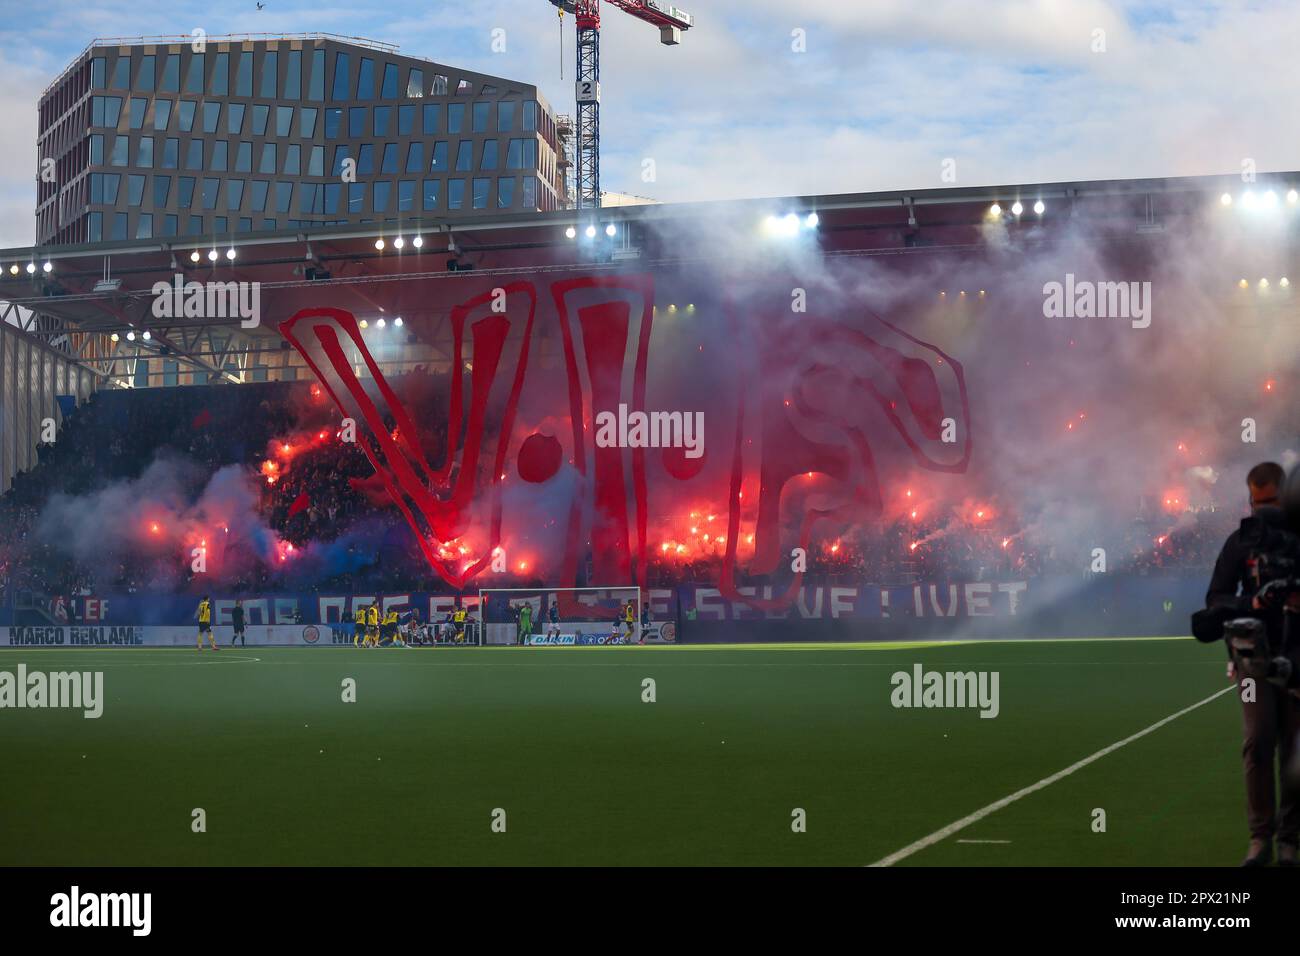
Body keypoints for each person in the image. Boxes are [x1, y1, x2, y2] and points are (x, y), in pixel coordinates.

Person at [1204, 461, 1300, 866]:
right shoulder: (1241, 541)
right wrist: (1253, 604)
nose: (1264, 511)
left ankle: (1290, 841)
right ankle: (1260, 839)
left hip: (1296, 653)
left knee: (1294, 750)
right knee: (1257, 741)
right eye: (1258, 503)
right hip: (1255, 659)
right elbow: (1216, 600)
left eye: (1272, 502)